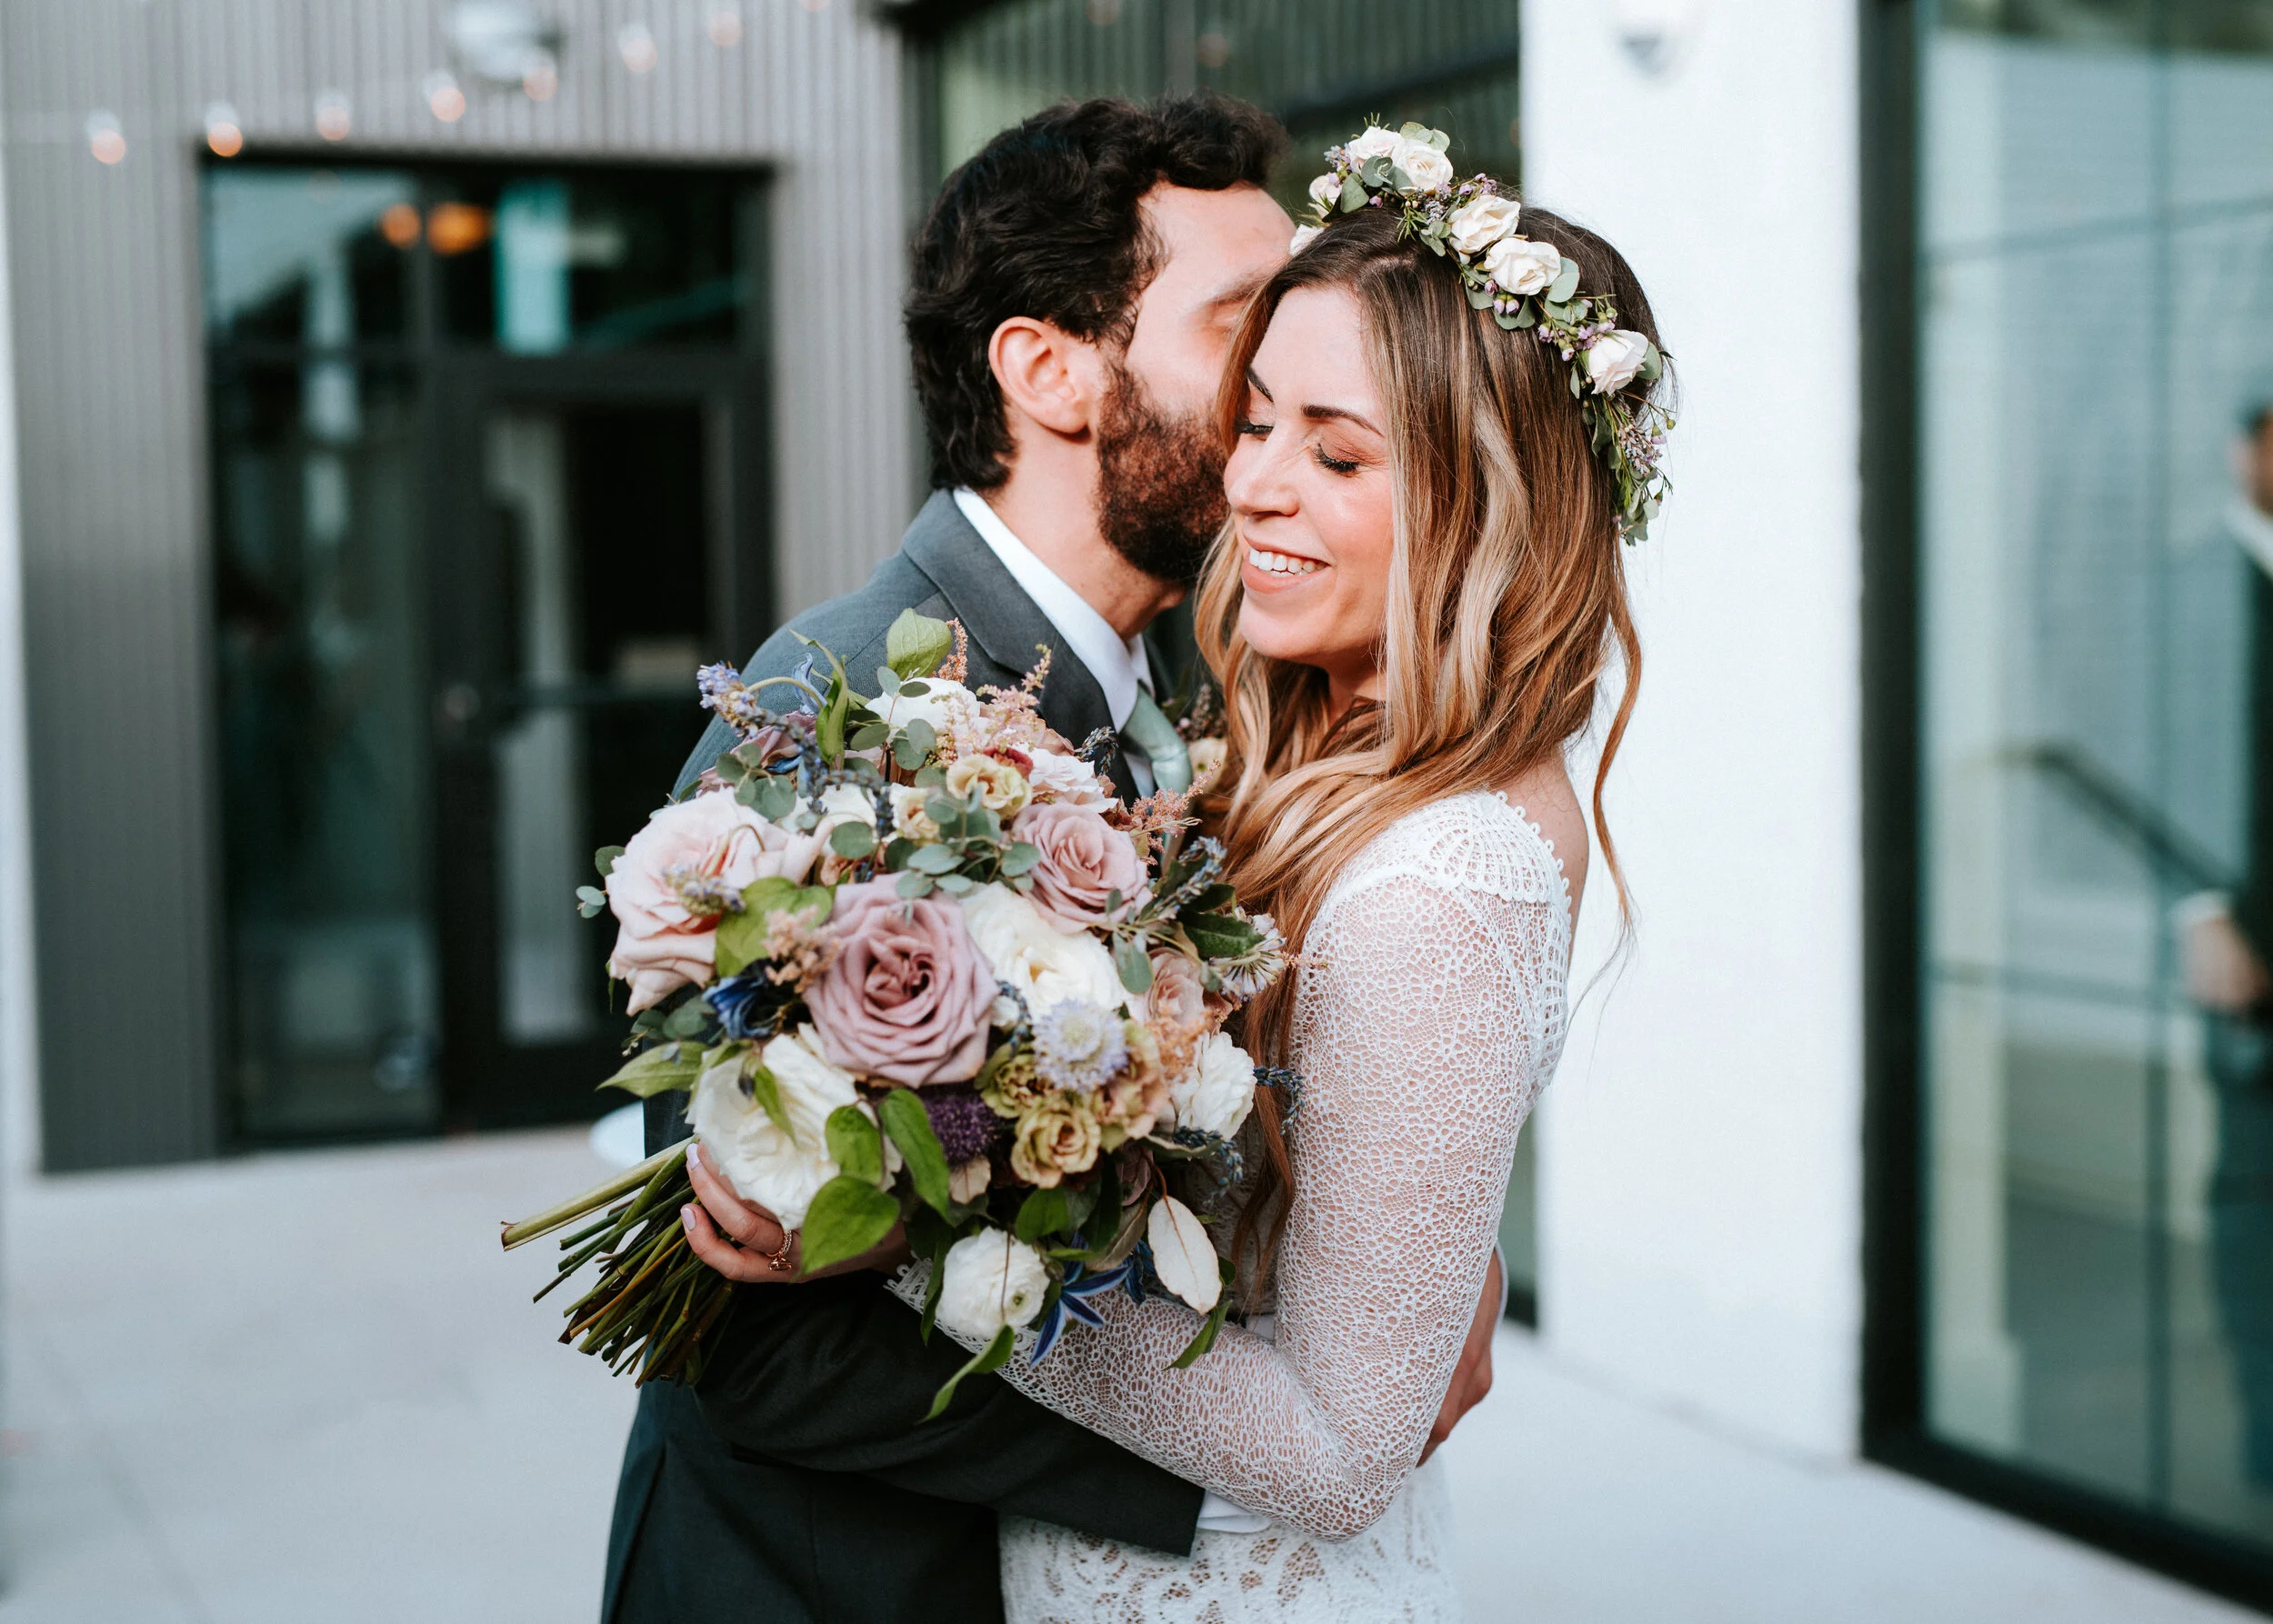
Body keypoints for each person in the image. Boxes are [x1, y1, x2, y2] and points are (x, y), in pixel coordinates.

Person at [685, 133, 1665, 1618]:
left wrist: (1414, 1269)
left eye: (1332, 446)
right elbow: (745, 1313)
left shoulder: (1313, 767)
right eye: (1247, 365)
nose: (1255, 465)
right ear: (1051, 372)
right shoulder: (850, 703)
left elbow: (1343, 1271)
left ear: (1478, 488)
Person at [2178, 395, 2273, 1489]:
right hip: (2246, 944)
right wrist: (2203, 912)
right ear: (2242, 448)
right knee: (2254, 1193)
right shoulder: (2195, 582)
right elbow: (2155, 737)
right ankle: (2264, 1426)